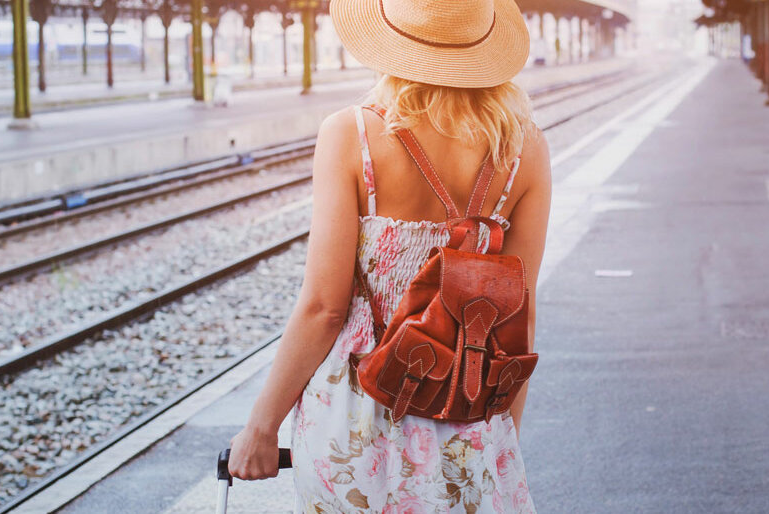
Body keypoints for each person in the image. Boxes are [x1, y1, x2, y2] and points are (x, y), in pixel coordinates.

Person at [227, 0, 551, 511]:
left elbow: (323, 308)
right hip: (466, 415)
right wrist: (501, 435)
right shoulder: (525, 149)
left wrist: (260, 428)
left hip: (354, 422)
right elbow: (517, 318)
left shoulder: (350, 135)